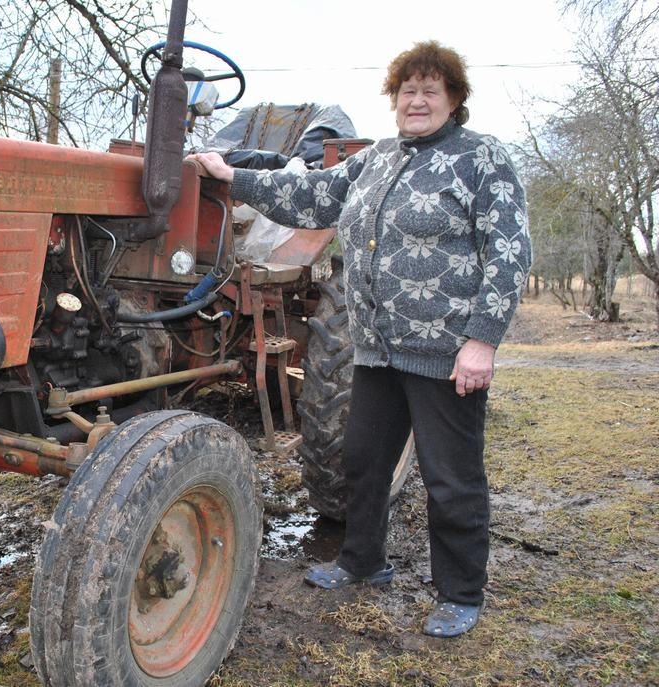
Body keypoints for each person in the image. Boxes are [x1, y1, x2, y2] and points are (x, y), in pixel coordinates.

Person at [189, 40, 532, 638]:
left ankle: (460, 592)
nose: (417, 100)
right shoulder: (376, 159)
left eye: (430, 90)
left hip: (445, 353)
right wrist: (233, 178)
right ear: (394, 99)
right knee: (363, 461)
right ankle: (362, 561)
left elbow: (507, 255)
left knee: (451, 477)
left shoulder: (482, 160)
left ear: (454, 99)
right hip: (376, 347)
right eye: (407, 91)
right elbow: (312, 196)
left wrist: (482, 341)